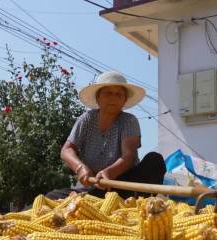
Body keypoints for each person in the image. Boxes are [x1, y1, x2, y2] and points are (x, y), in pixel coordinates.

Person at [46, 71, 167, 200]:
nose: (113, 97)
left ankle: (113, 202)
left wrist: (109, 173)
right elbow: (67, 150)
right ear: (98, 98)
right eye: (108, 93)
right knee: (51, 197)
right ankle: (92, 201)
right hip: (88, 190)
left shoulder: (129, 121)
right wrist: (80, 168)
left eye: (119, 94)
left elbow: (129, 156)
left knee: (154, 160)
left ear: (124, 100)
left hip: (119, 187)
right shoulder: (86, 119)